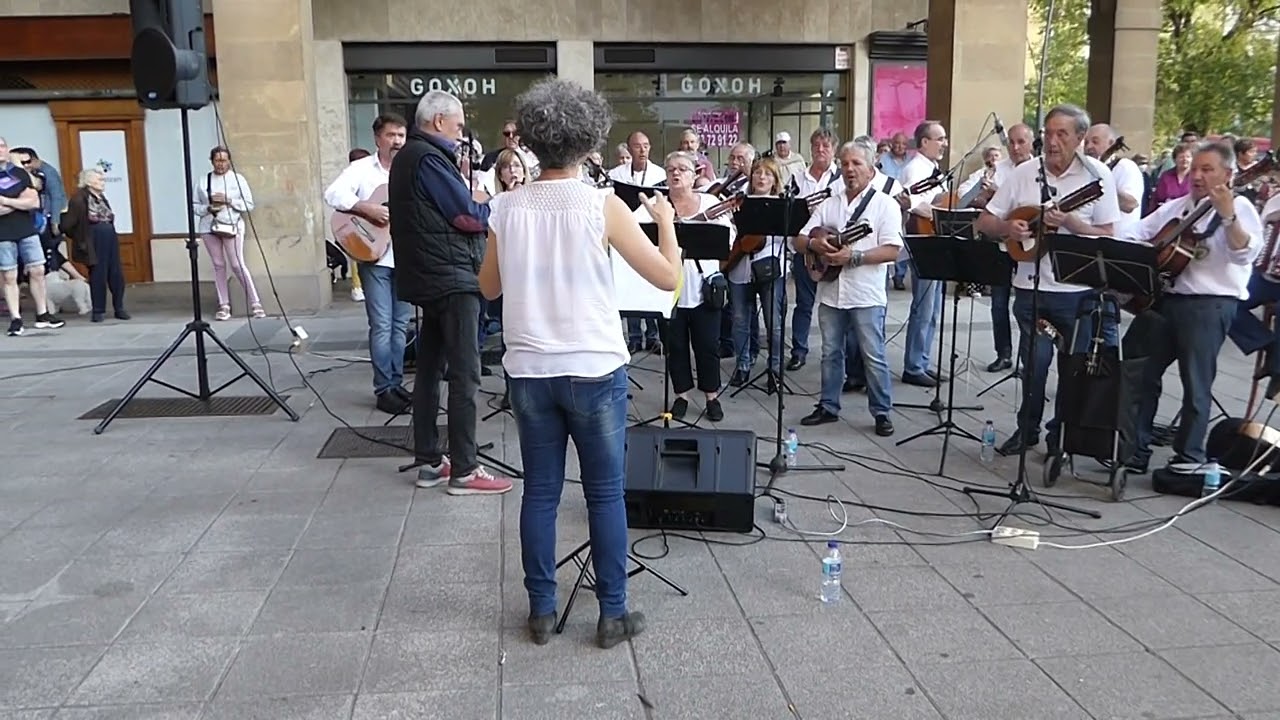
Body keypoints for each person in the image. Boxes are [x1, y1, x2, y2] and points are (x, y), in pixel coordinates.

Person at [478, 78, 680, 648]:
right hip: (593, 366)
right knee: (605, 493)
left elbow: (488, 288)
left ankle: (541, 610)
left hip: (529, 368)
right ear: (589, 140)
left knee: (540, 492)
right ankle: (612, 612)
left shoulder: (506, 207)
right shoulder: (602, 204)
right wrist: (666, 222)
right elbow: (667, 276)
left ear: (531, 140)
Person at [975, 103, 1121, 457]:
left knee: (1073, 370)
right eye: (1048, 133)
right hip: (1031, 289)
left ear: (1080, 137)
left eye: (1062, 134)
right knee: (1034, 368)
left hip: (1077, 294)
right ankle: (1027, 430)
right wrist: (1008, 227)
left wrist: (1073, 224)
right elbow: (985, 221)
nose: (1053, 141)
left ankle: (1062, 437)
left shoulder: (1097, 176)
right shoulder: (1025, 173)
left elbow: (1108, 235)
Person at [388, 90, 514, 496]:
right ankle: (465, 468)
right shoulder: (427, 157)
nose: (461, 133)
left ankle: (429, 460)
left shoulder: (410, 155)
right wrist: (493, 206)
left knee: (429, 370)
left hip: (430, 275)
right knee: (465, 373)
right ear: (439, 121)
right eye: (458, 125)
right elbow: (465, 216)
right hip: (452, 277)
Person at [1129, 142, 1263, 472]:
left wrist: (1228, 216)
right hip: (1167, 299)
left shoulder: (1241, 207)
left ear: (1228, 174)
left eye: (1207, 170)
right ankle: (1135, 449)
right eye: (1195, 169)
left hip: (1210, 304)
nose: (1198, 176)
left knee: (1196, 384)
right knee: (1142, 374)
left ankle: (1188, 457)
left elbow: (1244, 254)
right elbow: (1137, 230)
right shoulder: (1179, 206)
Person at [796, 140, 901, 436]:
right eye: (844, 164)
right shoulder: (829, 203)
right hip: (831, 294)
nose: (849, 169)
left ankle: (882, 412)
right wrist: (815, 243)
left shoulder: (885, 205)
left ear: (871, 168)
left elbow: (893, 250)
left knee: (873, 355)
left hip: (866, 293)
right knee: (830, 352)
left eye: (856, 163)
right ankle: (828, 406)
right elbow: (799, 239)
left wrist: (854, 257)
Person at [324, 115, 413, 414]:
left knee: (400, 325)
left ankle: (396, 384)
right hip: (374, 255)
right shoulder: (361, 169)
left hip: (406, 257)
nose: (397, 141)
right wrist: (366, 208)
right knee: (382, 324)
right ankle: (383, 389)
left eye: (401, 135)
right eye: (391, 135)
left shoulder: (412, 169)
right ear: (377, 139)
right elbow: (333, 194)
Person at [0, 137, 64, 335]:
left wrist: (5, 200)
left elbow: (34, 201)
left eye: (2, 146)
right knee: (9, 276)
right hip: (3, 233)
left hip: (27, 229)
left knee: (37, 271)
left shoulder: (19, 173)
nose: (0, 150)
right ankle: (16, 319)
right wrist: (19, 201)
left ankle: (42, 314)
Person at [194, 146, 264, 320]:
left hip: (231, 225)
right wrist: (208, 208)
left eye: (224, 160)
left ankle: (255, 302)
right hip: (209, 226)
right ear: (212, 161)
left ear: (229, 161)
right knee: (218, 265)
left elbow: (249, 204)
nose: (221, 164)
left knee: (237, 264)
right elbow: (195, 205)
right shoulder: (203, 180)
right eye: (217, 160)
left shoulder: (238, 179)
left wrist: (229, 200)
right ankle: (224, 305)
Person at [60, 168, 127, 323]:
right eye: (99, 179)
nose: (103, 182)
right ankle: (98, 310)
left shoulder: (101, 198)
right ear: (89, 182)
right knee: (98, 274)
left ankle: (119, 308)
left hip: (109, 237)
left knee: (116, 274)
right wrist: (80, 238)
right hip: (94, 240)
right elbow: (68, 224)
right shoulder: (79, 199)